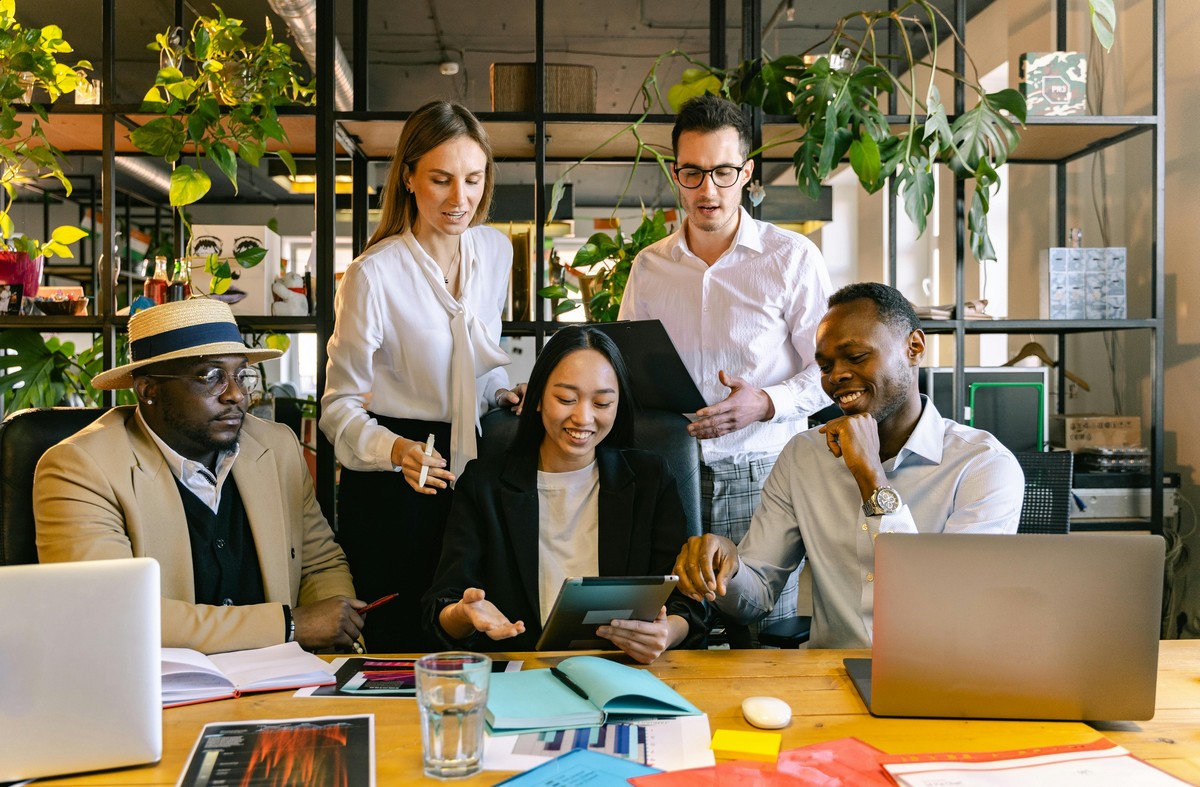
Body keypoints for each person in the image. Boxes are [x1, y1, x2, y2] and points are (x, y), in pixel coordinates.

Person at [673, 282, 1024, 648]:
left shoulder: (983, 466)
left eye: (855, 357)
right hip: (831, 680)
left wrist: (870, 475)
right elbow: (757, 595)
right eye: (825, 366)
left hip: (938, 679)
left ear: (914, 348)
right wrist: (728, 569)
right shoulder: (804, 456)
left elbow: (945, 604)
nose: (835, 376)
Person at [618, 93, 833, 644]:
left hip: (764, 473)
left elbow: (829, 372)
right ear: (676, 173)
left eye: (722, 172)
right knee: (671, 631)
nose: (707, 190)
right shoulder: (650, 266)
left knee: (760, 634)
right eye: (693, 173)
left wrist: (764, 401)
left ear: (746, 173)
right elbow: (619, 365)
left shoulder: (791, 258)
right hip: (672, 474)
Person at [34, 298, 364, 655]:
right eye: (211, 376)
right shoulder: (80, 466)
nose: (236, 395)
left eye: (241, 375)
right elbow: (111, 612)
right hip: (164, 694)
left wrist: (338, 641)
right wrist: (291, 626)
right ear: (149, 390)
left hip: (285, 682)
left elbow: (319, 564)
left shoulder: (276, 447)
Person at [321, 100, 522, 652]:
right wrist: (395, 450)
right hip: (395, 481)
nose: (461, 199)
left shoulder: (497, 251)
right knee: (400, 646)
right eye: (441, 180)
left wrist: (501, 393)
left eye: (473, 179)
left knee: (476, 630)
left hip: (471, 476)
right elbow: (336, 407)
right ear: (408, 177)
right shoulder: (373, 274)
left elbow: (474, 365)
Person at [421, 326, 707, 664]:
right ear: (538, 397)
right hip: (522, 676)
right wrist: (464, 614)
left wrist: (666, 632)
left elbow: (688, 599)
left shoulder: (650, 479)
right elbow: (442, 608)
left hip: (625, 671)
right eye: (566, 399)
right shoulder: (484, 485)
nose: (583, 417)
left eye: (602, 402)